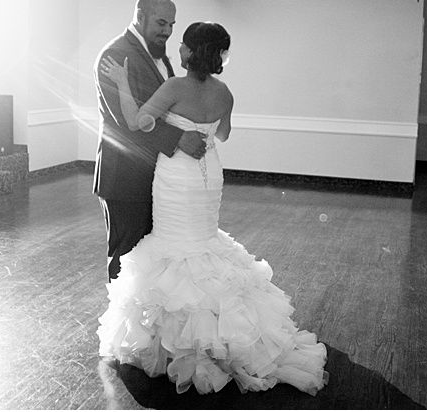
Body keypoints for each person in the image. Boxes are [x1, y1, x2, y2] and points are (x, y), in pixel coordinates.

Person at [96, 22, 328, 396]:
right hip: (209, 174)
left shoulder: (173, 87)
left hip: (176, 174)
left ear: (188, 52)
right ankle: (222, 335)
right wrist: (202, 123)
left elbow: (139, 122)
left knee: (175, 243)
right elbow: (223, 134)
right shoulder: (224, 92)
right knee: (202, 239)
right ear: (218, 55)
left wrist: (123, 83)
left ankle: (179, 343)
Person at [93, 0, 207, 281]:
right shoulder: (115, 55)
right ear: (140, 16)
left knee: (150, 256)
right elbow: (126, 120)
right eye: (160, 23)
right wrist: (179, 138)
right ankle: (122, 324)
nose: (167, 31)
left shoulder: (160, 56)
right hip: (124, 177)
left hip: (156, 174)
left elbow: (164, 109)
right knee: (126, 258)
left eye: (171, 24)